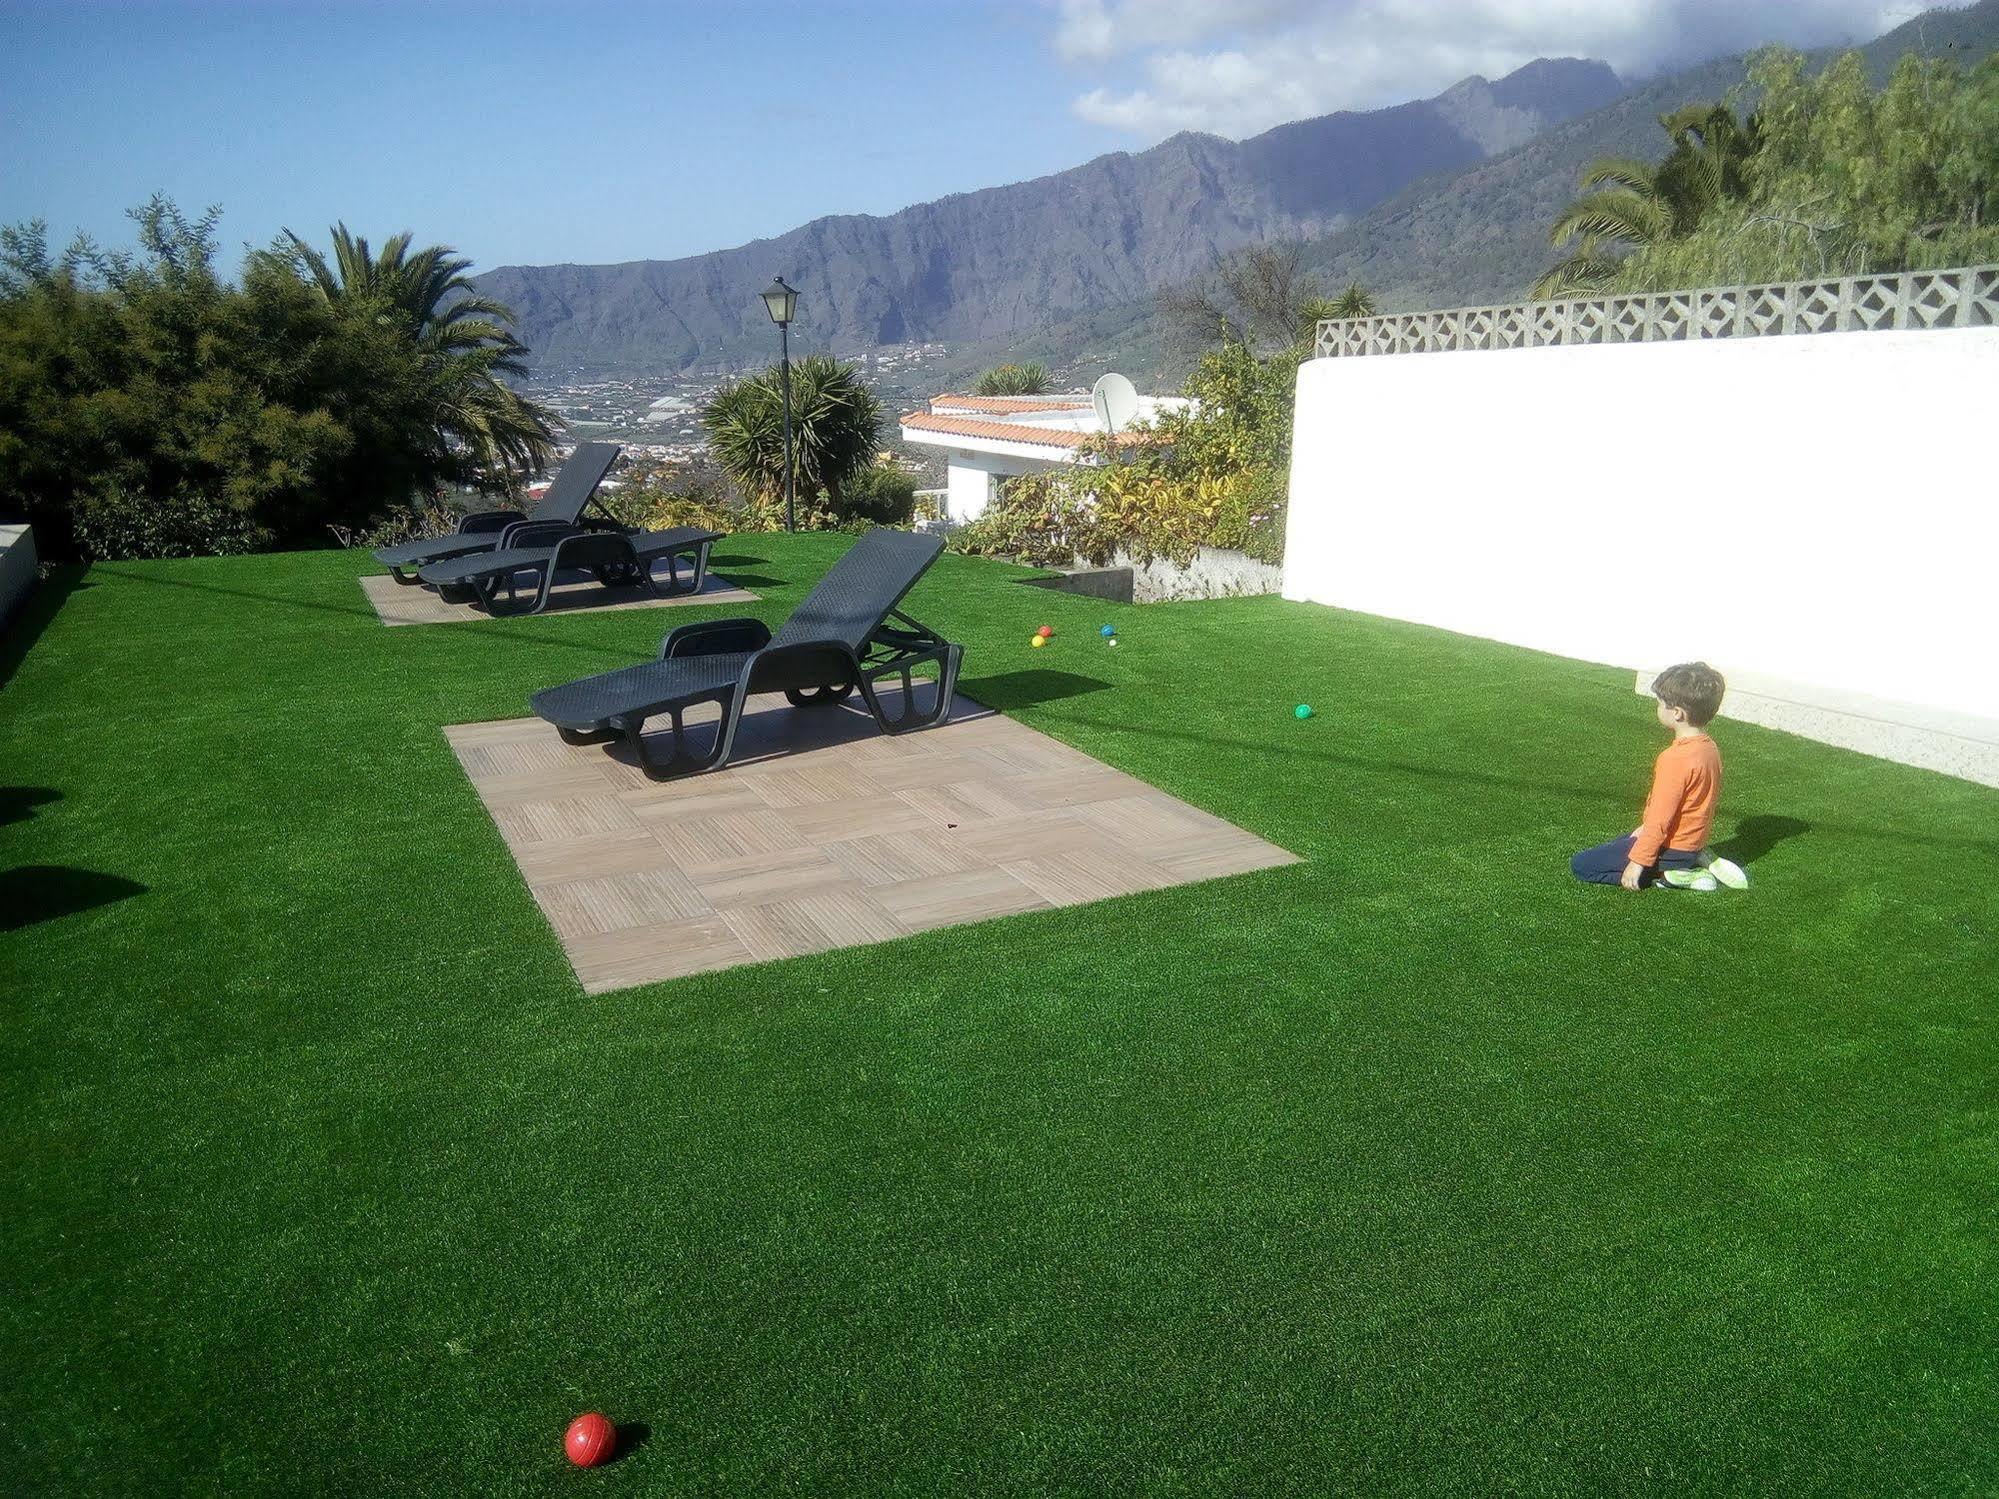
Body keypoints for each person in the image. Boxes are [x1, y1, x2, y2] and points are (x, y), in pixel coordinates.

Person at [1571, 662, 1749, 892]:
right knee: (1619, 843)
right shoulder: (1709, 748)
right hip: (1691, 843)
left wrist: (1638, 863)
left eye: (1661, 703)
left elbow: (1660, 819)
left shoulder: (1674, 759)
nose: (1658, 707)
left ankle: (1668, 875)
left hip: (1672, 848)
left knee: (1582, 865)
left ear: (1677, 713)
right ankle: (1692, 858)